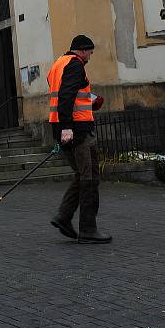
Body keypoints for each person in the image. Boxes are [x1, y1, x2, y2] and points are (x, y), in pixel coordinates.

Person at [48, 35, 112, 244]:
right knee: (89, 177)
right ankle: (88, 229)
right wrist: (68, 126)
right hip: (78, 131)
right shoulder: (75, 65)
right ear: (83, 50)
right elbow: (66, 94)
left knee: (83, 174)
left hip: (62, 127)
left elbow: (67, 93)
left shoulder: (58, 64)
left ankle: (63, 217)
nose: (90, 57)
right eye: (90, 53)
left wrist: (91, 99)